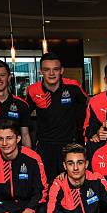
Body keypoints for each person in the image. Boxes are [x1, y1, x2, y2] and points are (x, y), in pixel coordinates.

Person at [26, 52, 88, 181]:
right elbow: (23, 115)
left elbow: (88, 107)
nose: (51, 73)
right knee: (46, 183)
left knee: (70, 182)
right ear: (41, 71)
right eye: (47, 70)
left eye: (55, 69)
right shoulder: (33, 90)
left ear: (62, 71)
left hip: (69, 144)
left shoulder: (73, 86)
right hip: (45, 146)